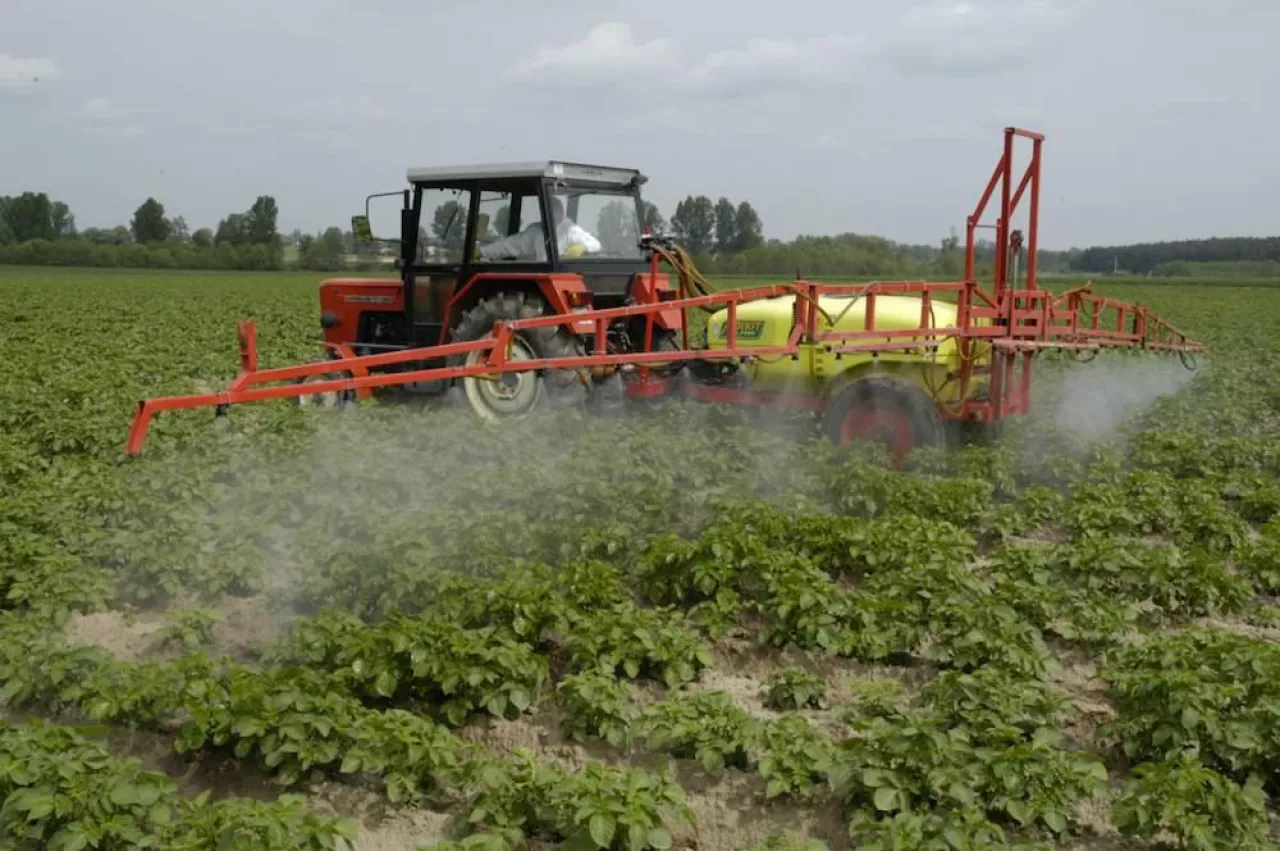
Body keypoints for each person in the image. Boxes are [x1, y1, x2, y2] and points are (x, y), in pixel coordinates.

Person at [477, 195, 601, 261]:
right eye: (546, 211)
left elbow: (595, 244)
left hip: (561, 277)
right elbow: (510, 245)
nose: (549, 214)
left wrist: (581, 247)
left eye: (554, 210)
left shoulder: (570, 230)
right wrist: (482, 252)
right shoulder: (536, 231)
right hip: (543, 276)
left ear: (561, 212)